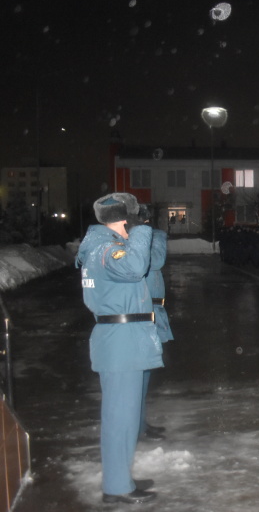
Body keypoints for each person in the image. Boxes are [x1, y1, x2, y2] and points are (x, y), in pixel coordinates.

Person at [76, 192, 162, 504]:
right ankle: (116, 488)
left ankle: (121, 479)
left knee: (126, 418)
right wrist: (141, 230)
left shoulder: (105, 247)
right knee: (118, 418)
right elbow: (135, 267)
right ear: (125, 219)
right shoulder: (106, 249)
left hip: (125, 338)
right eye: (135, 217)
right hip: (120, 339)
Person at [136, 205, 172, 442]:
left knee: (145, 375)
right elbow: (156, 261)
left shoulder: (141, 242)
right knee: (139, 375)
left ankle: (140, 424)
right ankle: (137, 427)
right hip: (144, 312)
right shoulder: (142, 242)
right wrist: (154, 235)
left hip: (153, 310)